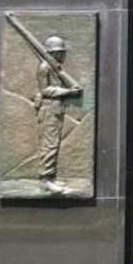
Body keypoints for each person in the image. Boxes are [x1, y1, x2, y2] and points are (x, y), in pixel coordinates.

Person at [33, 35, 81, 194]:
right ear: (53, 53)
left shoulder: (56, 68)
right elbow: (45, 90)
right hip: (49, 110)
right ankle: (45, 180)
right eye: (60, 52)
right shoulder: (44, 67)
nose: (63, 55)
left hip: (56, 109)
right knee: (49, 145)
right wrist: (68, 91)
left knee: (54, 144)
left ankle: (50, 178)